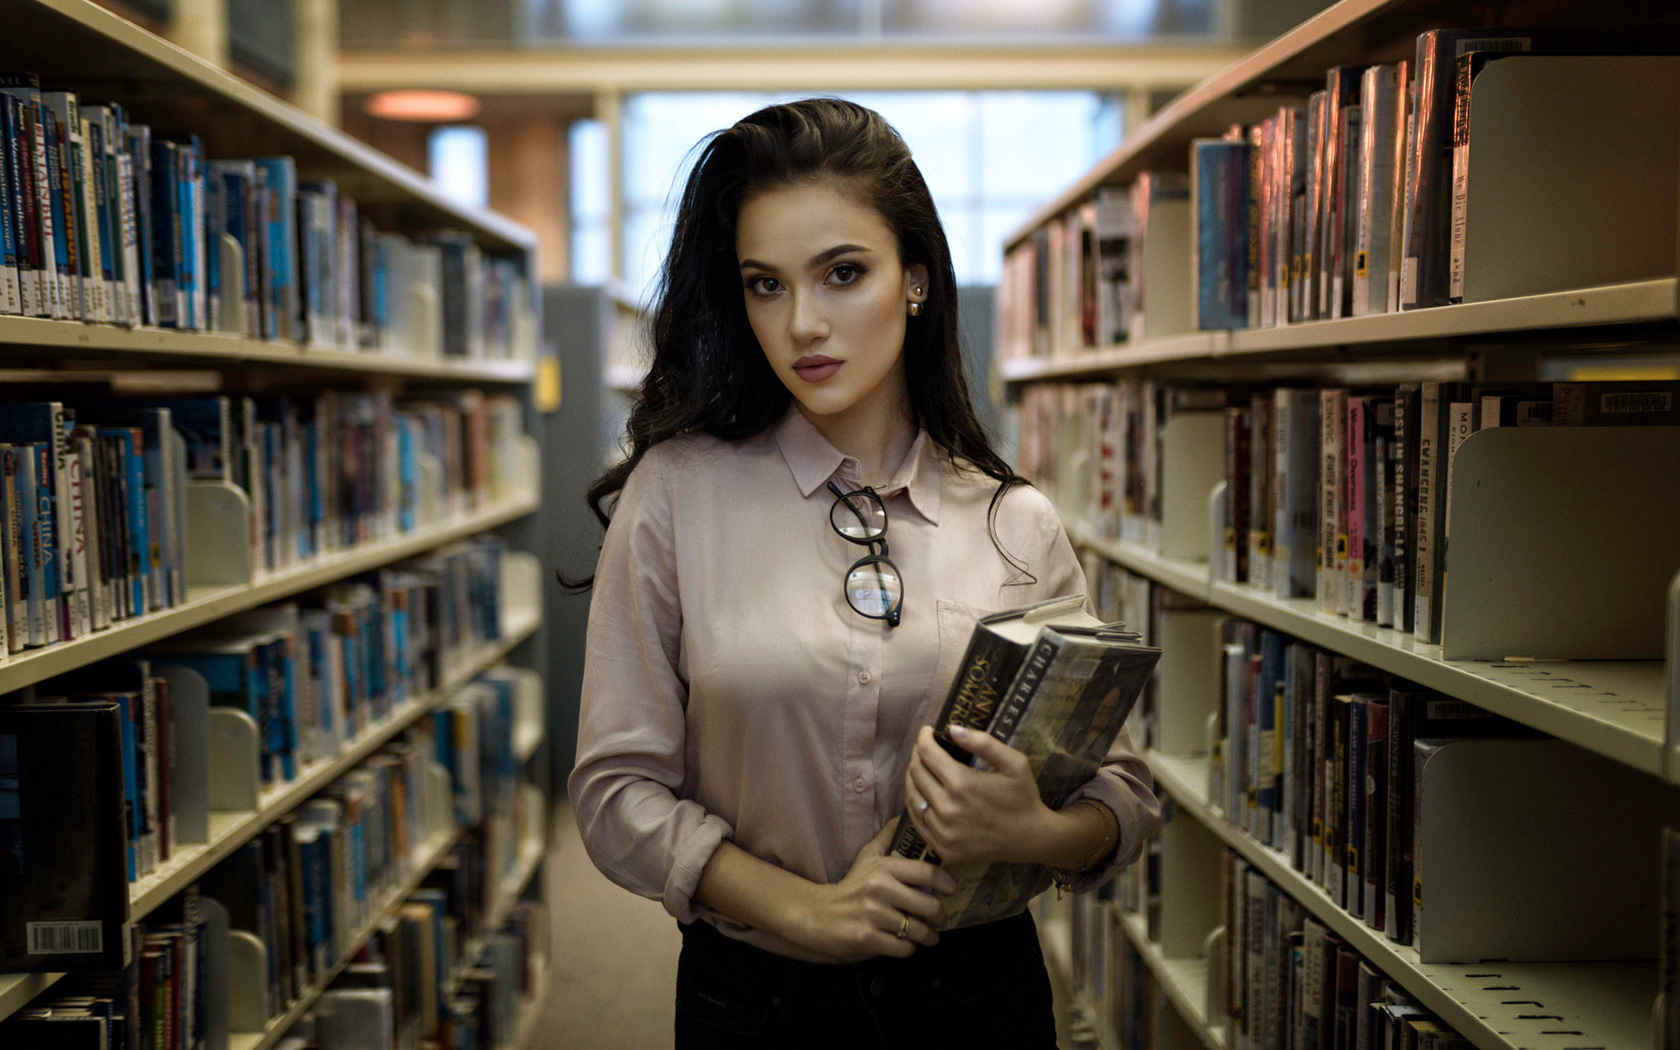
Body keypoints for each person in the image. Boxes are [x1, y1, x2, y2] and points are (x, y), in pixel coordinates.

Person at [567, 97, 1162, 1048]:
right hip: (758, 1000)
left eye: (843, 273)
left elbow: (1119, 794)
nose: (803, 323)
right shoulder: (677, 496)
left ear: (916, 280)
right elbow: (614, 791)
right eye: (766, 285)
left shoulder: (1016, 523)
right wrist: (806, 910)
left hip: (981, 999)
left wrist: (1035, 834)